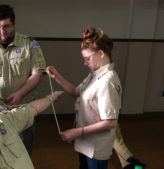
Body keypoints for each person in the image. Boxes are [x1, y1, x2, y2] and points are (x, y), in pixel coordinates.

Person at [0, 4, 46, 155]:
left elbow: (38, 74)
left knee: (22, 153)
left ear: (14, 23)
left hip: (23, 109)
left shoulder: (30, 45)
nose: (1, 32)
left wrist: (20, 93)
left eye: (6, 27)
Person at [47, 26, 121, 169]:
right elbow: (76, 92)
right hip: (85, 142)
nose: (85, 63)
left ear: (100, 53)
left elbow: (110, 122)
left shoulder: (108, 81)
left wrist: (77, 132)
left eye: (87, 59)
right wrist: (57, 77)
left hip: (96, 147)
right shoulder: (95, 73)